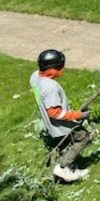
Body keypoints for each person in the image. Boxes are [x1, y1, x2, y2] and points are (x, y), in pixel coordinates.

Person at [31, 49, 91, 182]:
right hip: (60, 124)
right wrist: (78, 115)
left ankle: (61, 158)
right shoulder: (50, 88)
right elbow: (54, 113)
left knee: (65, 142)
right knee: (83, 137)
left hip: (48, 122)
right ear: (53, 69)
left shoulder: (35, 76)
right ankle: (63, 168)